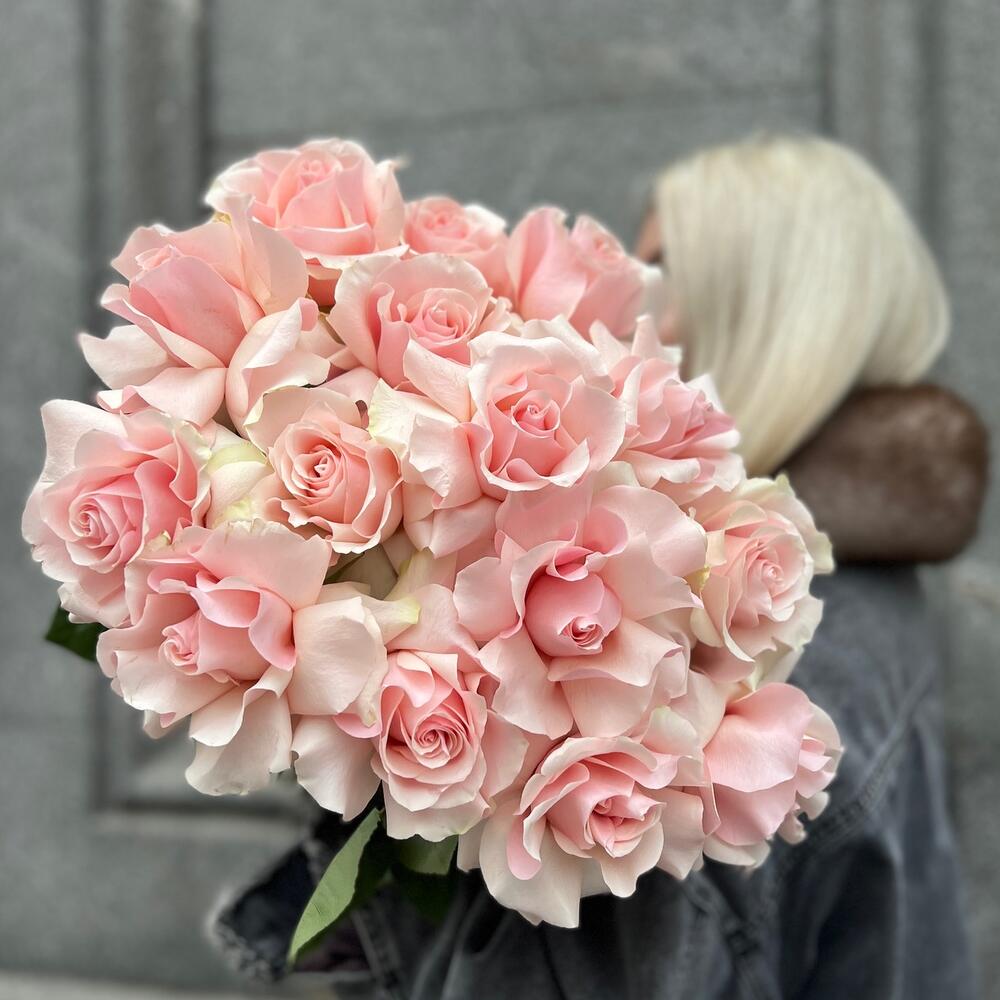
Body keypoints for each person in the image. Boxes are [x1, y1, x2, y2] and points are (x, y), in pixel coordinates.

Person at [213, 135, 986, 999]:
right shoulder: (870, 591)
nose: (627, 315)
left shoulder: (721, 682)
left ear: (772, 310)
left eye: (661, 272)